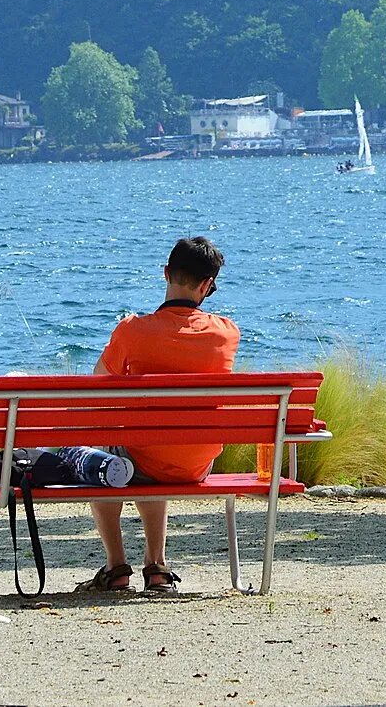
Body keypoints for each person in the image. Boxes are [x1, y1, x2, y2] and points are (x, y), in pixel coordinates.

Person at [78, 235, 239, 594]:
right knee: (156, 445)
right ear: (207, 285)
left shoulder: (132, 331)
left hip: (142, 458)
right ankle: (157, 565)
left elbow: (98, 383)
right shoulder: (226, 334)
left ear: (166, 273)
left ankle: (116, 566)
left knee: (110, 451)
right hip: (197, 462)